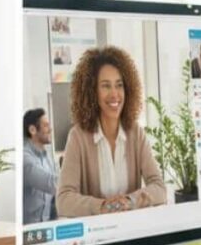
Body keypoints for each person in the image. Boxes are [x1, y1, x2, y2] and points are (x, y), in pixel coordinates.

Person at [56, 46, 166, 216]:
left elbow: (159, 188)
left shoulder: (136, 133)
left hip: (131, 233)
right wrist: (103, 206)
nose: (114, 94)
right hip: (97, 237)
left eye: (119, 85)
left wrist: (130, 201)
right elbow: (63, 200)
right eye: (106, 86)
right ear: (92, 92)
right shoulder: (77, 137)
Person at [23, 108, 59, 223]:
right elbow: (51, 183)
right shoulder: (25, 158)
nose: (50, 129)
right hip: (28, 230)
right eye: (46, 126)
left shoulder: (48, 158)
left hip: (45, 228)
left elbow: (55, 198)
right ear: (32, 130)